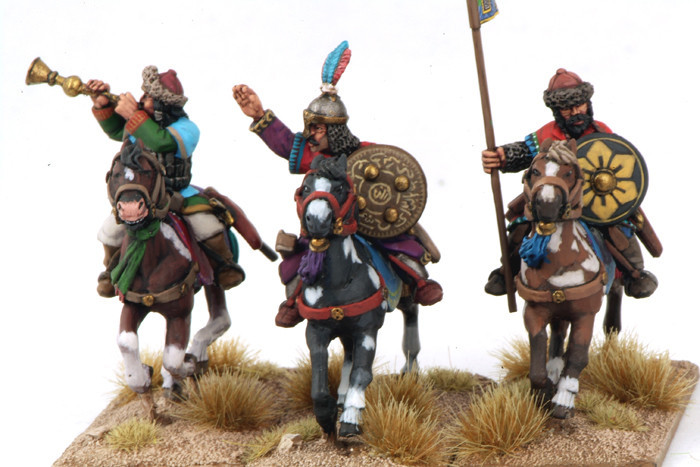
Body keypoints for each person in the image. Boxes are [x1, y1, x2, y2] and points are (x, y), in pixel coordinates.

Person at [233, 41, 443, 327]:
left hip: (363, 226)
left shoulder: (364, 154)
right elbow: (286, 143)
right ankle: (293, 301)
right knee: (298, 262)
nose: (311, 135)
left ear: (334, 130)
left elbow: (389, 181)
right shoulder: (313, 155)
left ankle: (419, 283)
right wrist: (260, 116)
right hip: (323, 229)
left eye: (318, 129)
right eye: (310, 128)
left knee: (398, 246)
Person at [481, 68, 658, 299]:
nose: (575, 112)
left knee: (622, 227)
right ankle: (507, 272)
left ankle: (634, 274)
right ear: (557, 110)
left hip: (595, 203)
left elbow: (619, 162)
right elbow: (525, 152)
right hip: (552, 201)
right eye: (567, 108)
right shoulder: (547, 134)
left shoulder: (601, 131)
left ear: (587, 103)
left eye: (579, 105)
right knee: (521, 226)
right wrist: (504, 156)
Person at [86, 66, 243, 297]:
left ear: (164, 104)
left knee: (206, 223)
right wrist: (103, 105)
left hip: (177, 192)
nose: (143, 100)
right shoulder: (139, 123)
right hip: (143, 194)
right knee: (110, 230)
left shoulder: (186, 128)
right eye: (144, 95)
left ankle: (224, 264)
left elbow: (162, 142)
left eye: (149, 97)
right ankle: (111, 270)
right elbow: (117, 130)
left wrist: (134, 115)